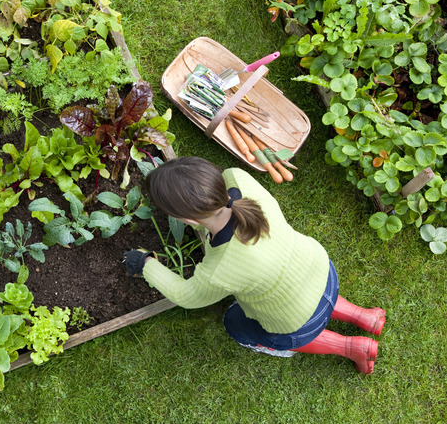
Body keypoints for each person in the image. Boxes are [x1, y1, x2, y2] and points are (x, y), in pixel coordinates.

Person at [123, 156, 385, 374]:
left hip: (296, 321)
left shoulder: (221, 269)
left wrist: (145, 263)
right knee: (307, 293)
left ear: (189, 220)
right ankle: (365, 317)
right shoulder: (238, 178)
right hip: (321, 270)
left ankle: (351, 347)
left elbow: (186, 295)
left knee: (235, 324)